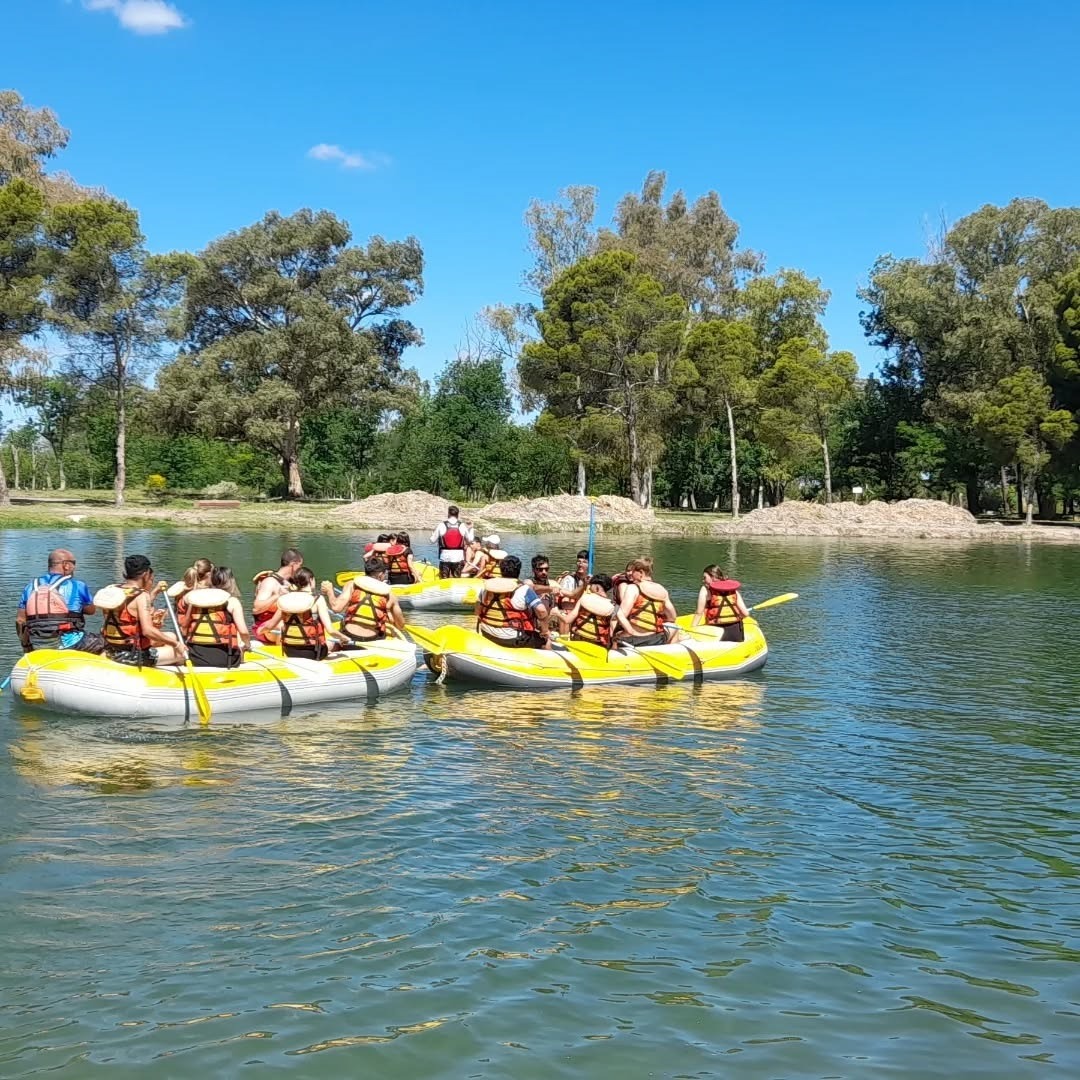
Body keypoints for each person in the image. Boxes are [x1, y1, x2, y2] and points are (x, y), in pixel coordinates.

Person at [99, 554, 186, 666]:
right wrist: (177, 644)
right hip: (131, 655)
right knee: (181, 652)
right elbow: (147, 631)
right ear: (145, 574)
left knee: (171, 636)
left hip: (111, 649)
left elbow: (126, 614)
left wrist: (154, 593)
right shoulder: (141, 595)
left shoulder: (112, 589)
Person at [16, 547, 103, 653]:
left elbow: (20, 620)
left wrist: (26, 646)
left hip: (36, 643)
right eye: (73, 563)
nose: (75, 567)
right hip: (69, 642)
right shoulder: (77, 585)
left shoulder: (30, 587)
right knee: (105, 643)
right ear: (66, 565)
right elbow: (91, 611)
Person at [259, 567, 341, 661]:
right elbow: (330, 630)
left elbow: (270, 625)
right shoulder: (318, 600)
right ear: (311, 580)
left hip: (289, 650)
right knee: (334, 643)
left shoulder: (286, 600)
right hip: (313, 652)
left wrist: (260, 631)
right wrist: (344, 638)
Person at [475, 554, 549, 649]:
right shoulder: (524, 589)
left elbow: (477, 612)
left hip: (487, 633)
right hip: (513, 638)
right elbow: (542, 611)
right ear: (518, 571)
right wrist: (545, 631)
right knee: (545, 641)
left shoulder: (485, 589)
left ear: (501, 571)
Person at [326, 556, 406, 643]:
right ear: (380, 575)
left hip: (349, 634)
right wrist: (389, 613)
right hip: (373, 638)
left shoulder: (352, 585)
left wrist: (329, 591)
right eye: (384, 574)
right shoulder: (390, 595)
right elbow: (400, 625)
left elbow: (336, 608)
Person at [183, 566, 251, 668]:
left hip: (195, 654)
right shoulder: (232, 601)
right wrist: (247, 645)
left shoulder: (196, 600)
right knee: (241, 650)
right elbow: (244, 632)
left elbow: (184, 628)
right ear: (231, 582)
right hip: (224, 657)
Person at [615, 558, 677, 647]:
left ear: (641, 573)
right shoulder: (661, 590)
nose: (631, 574)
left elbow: (621, 615)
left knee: (617, 631)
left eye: (633, 571)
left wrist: (629, 632)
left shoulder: (633, 588)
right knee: (674, 628)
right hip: (655, 639)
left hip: (633, 640)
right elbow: (672, 617)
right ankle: (668, 653)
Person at [251, 548, 303, 643]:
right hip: (265, 627)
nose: (300, 570)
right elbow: (256, 608)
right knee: (283, 626)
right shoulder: (270, 582)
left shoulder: (289, 583)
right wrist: (277, 596)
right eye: (300, 566)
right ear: (293, 565)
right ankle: (283, 652)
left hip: (283, 623)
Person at [692, 565, 751, 641]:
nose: (703, 581)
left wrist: (692, 629)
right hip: (736, 632)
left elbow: (699, 613)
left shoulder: (705, 590)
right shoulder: (732, 590)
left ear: (712, 577)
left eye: (705, 578)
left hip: (717, 633)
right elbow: (745, 613)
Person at [557, 574, 616, 648]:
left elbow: (567, 620)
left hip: (578, 640)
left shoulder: (584, 599)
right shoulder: (612, 606)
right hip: (598, 644)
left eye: (591, 586)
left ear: (597, 588)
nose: (589, 588)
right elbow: (612, 632)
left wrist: (557, 613)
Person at [167, 557, 214, 635]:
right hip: (193, 631)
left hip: (180, 628)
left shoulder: (182, 589)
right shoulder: (205, 592)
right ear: (209, 574)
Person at [431, 505, 473, 578]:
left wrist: (433, 534)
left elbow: (432, 540)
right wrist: (471, 528)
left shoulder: (441, 525)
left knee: (444, 580)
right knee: (456, 579)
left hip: (445, 557)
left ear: (448, 514)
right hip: (458, 557)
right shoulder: (462, 525)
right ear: (457, 515)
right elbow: (470, 540)